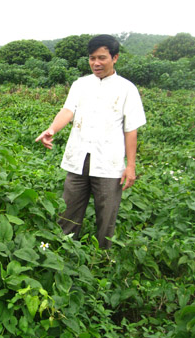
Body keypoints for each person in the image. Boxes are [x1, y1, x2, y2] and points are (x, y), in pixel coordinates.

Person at [35, 34, 146, 249]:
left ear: (115, 58)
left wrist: (130, 166)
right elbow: (68, 110)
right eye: (92, 58)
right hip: (79, 157)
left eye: (102, 58)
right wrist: (52, 129)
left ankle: (102, 257)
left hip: (109, 162)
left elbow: (130, 130)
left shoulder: (127, 89)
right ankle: (63, 250)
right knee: (69, 210)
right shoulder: (80, 84)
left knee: (107, 214)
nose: (96, 63)